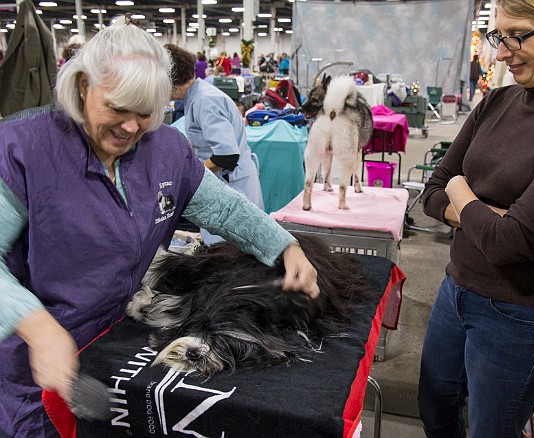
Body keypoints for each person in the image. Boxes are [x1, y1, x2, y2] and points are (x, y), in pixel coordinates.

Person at [0, 17, 319, 437]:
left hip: (111, 346)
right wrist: (36, 326)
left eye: (145, 113)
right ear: (82, 87)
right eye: (117, 108)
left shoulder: (166, 149)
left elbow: (224, 209)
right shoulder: (23, 152)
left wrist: (283, 246)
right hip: (33, 368)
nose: (131, 128)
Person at [418, 0, 534, 436]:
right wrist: (488, 215)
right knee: (435, 412)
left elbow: (505, 244)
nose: (503, 51)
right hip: (456, 288)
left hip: (523, 315)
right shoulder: (498, 102)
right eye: (499, 36)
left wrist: (461, 189)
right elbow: (430, 194)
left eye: (518, 35)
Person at [165, 44, 264, 244]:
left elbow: (226, 156)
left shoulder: (205, 101)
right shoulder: (197, 96)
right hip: (226, 186)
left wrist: (190, 174)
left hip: (233, 187)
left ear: (171, 80)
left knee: (229, 254)